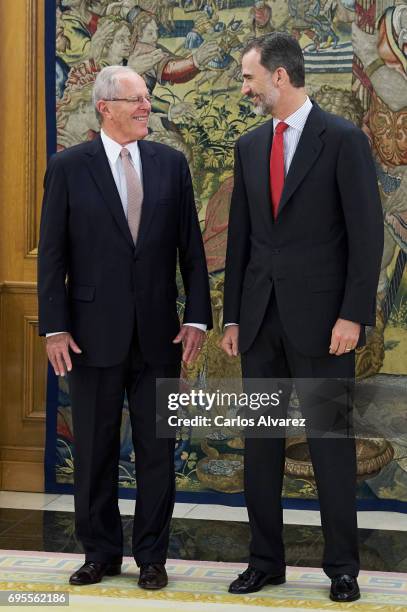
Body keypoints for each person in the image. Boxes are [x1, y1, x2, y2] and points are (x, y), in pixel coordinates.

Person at [221, 33, 383, 602]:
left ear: (280, 77)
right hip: (260, 319)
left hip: (324, 325)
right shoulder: (248, 146)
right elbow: (240, 238)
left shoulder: (342, 140)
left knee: (328, 444)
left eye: (249, 78)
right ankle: (264, 561)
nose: (245, 88)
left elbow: (367, 237)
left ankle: (343, 568)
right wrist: (233, 318)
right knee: (260, 445)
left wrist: (352, 316)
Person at [38, 65, 212, 589]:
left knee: (158, 451)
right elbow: (52, 255)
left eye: (147, 98)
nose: (145, 107)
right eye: (134, 100)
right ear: (104, 108)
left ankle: (152, 557)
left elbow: (193, 252)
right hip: (90, 335)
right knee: (93, 450)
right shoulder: (68, 168)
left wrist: (198, 318)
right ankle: (101, 553)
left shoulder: (171, 164)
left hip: (160, 333)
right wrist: (54, 328)